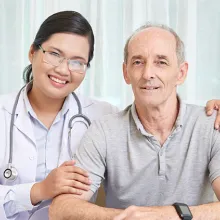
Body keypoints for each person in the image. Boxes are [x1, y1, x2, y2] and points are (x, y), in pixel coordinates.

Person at [49, 23, 220, 220]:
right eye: (138, 62)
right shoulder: (104, 131)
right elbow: (61, 209)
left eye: (161, 62)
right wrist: (129, 217)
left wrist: (168, 215)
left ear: (181, 73)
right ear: (126, 72)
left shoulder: (211, 125)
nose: (148, 74)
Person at [0, 11, 118, 220]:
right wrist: (38, 190)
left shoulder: (104, 116)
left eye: (77, 62)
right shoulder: (3, 112)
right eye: (54, 54)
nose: (63, 69)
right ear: (32, 52)